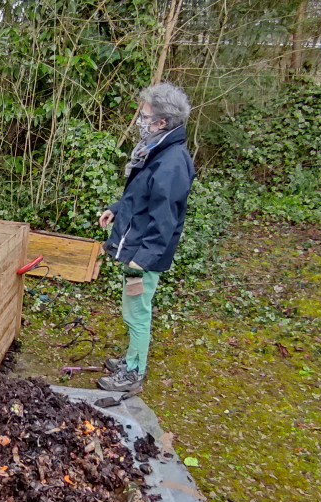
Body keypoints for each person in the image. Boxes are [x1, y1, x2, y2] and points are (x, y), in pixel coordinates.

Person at [97, 82, 195, 392]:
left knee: (137, 312)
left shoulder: (172, 163)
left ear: (161, 122)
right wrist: (116, 209)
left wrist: (142, 259)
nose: (140, 121)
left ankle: (134, 372)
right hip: (138, 247)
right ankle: (131, 359)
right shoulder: (156, 150)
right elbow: (141, 196)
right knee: (132, 309)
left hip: (144, 255)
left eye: (145, 116)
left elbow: (164, 220)